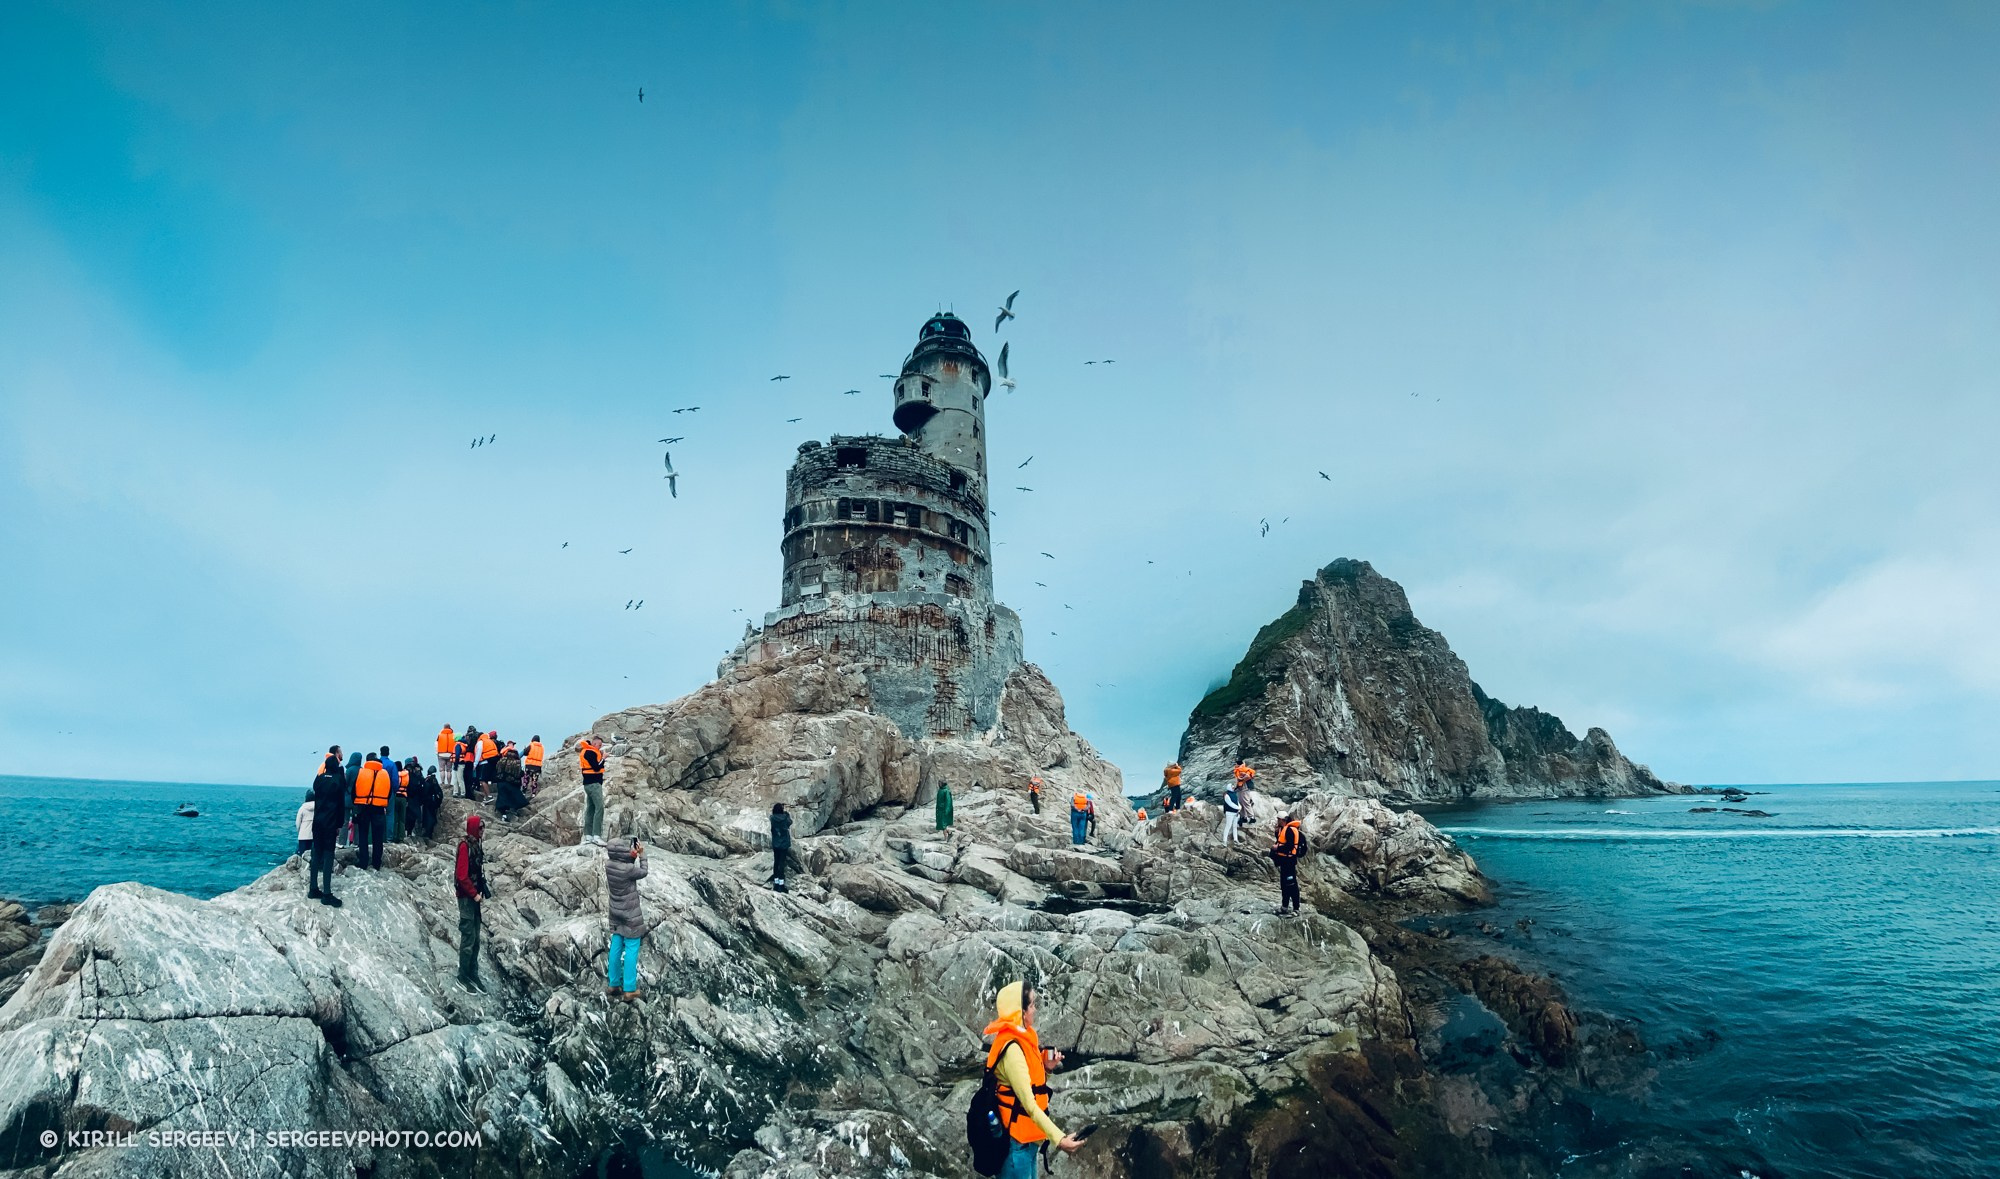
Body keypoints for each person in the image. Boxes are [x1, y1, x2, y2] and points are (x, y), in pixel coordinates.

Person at [981, 981, 1084, 1178]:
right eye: (1032, 1005)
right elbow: (1028, 1103)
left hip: (1027, 1141)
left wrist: (1046, 1068)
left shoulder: (1023, 1037)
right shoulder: (1012, 1050)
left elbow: (1026, 1086)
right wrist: (1060, 1140)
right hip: (1015, 1144)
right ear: (1021, 1011)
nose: (1035, 1009)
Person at [604, 835, 648, 1001]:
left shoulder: (609, 864)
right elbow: (643, 872)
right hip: (630, 914)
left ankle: (613, 983)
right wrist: (642, 854)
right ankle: (629, 989)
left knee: (616, 944)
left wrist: (631, 855)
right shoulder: (629, 870)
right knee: (631, 947)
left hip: (615, 911)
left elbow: (624, 861)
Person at [454, 814, 492, 991]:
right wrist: (474, 894)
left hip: (474, 896)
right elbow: (462, 876)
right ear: (474, 828)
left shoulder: (475, 844)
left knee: (476, 938)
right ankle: (463, 975)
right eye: (480, 828)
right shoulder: (465, 846)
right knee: (468, 936)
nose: (483, 831)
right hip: (467, 898)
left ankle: (473, 973)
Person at [309, 754, 346, 906]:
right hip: (330, 823)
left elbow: (315, 790)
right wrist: (339, 824)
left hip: (317, 821)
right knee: (328, 855)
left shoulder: (319, 780)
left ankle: (313, 889)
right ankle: (327, 893)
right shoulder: (338, 780)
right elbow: (341, 805)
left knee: (316, 854)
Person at [351, 752, 392, 870]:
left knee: (363, 835)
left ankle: (363, 862)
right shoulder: (385, 774)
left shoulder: (361, 773)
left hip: (363, 808)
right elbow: (388, 793)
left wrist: (357, 804)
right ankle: (376, 863)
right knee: (378, 837)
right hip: (379, 809)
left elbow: (354, 791)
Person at [1271, 811, 1304, 915]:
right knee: (1284, 885)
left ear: (1282, 820)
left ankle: (1296, 908)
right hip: (1284, 861)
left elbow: (1289, 846)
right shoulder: (1282, 829)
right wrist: (1276, 833)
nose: (1277, 821)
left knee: (1292, 885)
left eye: (1278, 819)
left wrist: (1277, 847)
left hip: (1289, 862)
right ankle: (1284, 907)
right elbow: (1281, 840)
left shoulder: (1290, 830)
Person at [578, 737, 607, 844]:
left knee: (590, 808)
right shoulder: (590, 752)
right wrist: (603, 758)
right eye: (599, 745)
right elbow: (596, 768)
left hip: (588, 784)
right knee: (599, 807)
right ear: (594, 744)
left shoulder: (586, 751)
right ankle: (596, 836)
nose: (600, 747)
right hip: (594, 784)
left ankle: (588, 835)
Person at [495, 743, 527, 819]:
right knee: (515, 796)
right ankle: (513, 809)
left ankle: (502, 812)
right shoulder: (516, 762)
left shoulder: (502, 760)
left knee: (502, 796)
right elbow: (518, 773)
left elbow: (497, 769)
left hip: (501, 781)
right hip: (512, 783)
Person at [769, 802, 794, 891]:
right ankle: (781, 885)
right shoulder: (785, 818)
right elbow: (790, 822)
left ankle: (776, 884)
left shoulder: (772, 818)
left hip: (776, 844)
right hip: (784, 844)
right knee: (781, 864)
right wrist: (787, 814)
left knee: (776, 863)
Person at [341, 750, 363, 845]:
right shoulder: (362, 770)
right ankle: (356, 842)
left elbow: (345, 784)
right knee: (357, 822)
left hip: (347, 799)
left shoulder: (349, 770)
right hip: (357, 800)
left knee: (345, 822)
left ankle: (341, 842)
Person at [477, 730, 501, 801]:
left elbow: (479, 752)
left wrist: (475, 763)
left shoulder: (481, 742)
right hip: (493, 762)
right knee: (486, 780)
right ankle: (485, 797)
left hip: (484, 762)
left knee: (483, 780)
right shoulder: (492, 742)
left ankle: (489, 796)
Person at [419, 765, 442, 839]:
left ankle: (427, 832)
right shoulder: (433, 780)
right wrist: (438, 802)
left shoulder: (427, 780)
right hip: (432, 801)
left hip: (427, 801)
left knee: (427, 817)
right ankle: (429, 832)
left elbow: (425, 791)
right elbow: (438, 792)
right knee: (430, 817)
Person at [454, 730, 477, 799]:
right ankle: (460, 792)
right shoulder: (466, 745)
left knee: (460, 779)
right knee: (459, 778)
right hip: (465, 762)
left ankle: (461, 792)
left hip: (461, 763)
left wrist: (455, 764)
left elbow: (457, 755)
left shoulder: (459, 745)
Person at [435, 725, 457, 795]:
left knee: (442, 769)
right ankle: (449, 783)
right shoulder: (453, 735)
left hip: (441, 754)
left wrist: (437, 752)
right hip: (450, 754)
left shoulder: (439, 735)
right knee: (449, 770)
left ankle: (442, 782)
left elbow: (436, 744)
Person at [295, 791, 315, 858]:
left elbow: (298, 823)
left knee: (301, 855)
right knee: (312, 855)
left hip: (303, 835)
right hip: (314, 835)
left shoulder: (302, 808)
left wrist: (299, 832)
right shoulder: (318, 808)